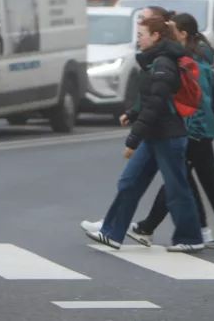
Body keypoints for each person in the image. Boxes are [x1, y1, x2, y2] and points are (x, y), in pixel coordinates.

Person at [81, 16, 204, 252]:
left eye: (141, 35)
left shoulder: (164, 63)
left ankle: (191, 238)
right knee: (129, 182)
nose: (137, 40)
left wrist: (133, 138)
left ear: (155, 36)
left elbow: (156, 104)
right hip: (155, 134)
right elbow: (151, 99)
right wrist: (134, 112)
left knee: (177, 188)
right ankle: (112, 233)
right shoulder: (155, 62)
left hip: (168, 136)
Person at [127, 13, 214, 248]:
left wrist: (190, 129)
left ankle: (148, 227)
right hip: (200, 128)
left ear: (181, 33)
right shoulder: (195, 55)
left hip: (195, 128)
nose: (168, 34)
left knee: (178, 179)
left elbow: (196, 100)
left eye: (172, 29)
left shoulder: (193, 59)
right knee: (204, 180)